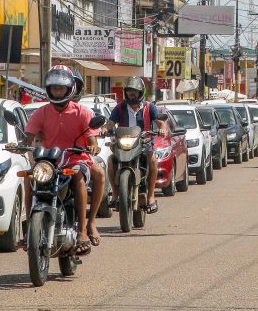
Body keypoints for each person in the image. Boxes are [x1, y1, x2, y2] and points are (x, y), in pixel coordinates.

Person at [19, 65, 103, 252]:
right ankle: (28, 231)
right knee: (29, 177)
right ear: (49, 89)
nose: (57, 92)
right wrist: (19, 145)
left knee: (80, 177)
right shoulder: (40, 113)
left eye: (61, 88)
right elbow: (28, 137)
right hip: (49, 162)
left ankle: (85, 228)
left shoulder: (83, 112)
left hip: (75, 159)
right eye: (54, 88)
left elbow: (92, 138)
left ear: (70, 88)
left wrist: (93, 146)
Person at [105, 77, 170, 216]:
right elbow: (111, 122)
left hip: (144, 143)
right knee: (111, 161)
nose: (131, 95)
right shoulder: (120, 107)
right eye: (129, 92)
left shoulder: (149, 107)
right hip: (123, 144)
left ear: (141, 93)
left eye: (134, 92)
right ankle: (116, 194)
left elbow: (160, 122)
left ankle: (151, 195)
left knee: (153, 159)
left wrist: (162, 129)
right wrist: (105, 129)